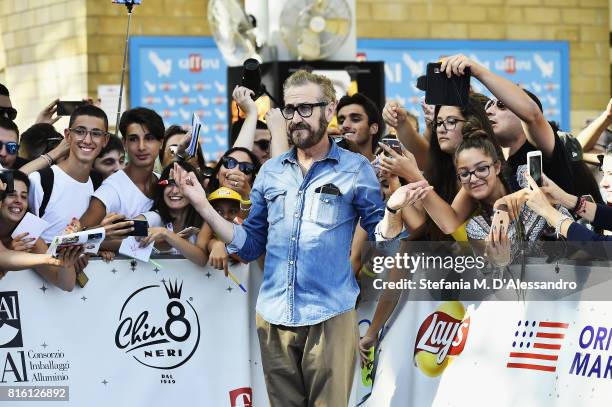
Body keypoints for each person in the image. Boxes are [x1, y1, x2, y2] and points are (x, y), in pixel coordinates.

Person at [171, 70, 414, 406]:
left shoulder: (356, 168)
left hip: (330, 314)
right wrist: (202, 205)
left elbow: (380, 238)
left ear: (328, 110)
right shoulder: (270, 171)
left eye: (305, 109)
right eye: (289, 110)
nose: (295, 119)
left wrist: (393, 211)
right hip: (274, 318)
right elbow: (251, 241)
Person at [438, 54, 575, 194]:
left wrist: (477, 71)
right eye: (488, 106)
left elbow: (532, 114)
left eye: (501, 105)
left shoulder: (543, 148)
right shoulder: (495, 165)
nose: (489, 111)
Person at [28, 104, 109, 243]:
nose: (87, 140)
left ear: (105, 140)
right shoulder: (40, 180)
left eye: (96, 133)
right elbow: (27, 238)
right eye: (80, 131)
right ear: (67, 135)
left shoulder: (100, 183)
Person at [80, 107, 165, 228]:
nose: (141, 147)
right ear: (124, 143)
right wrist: (109, 237)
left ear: (161, 143)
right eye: (133, 139)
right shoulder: (111, 190)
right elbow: (79, 237)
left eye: (149, 138)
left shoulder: (164, 183)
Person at [0, 170, 82, 290]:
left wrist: (64, 257)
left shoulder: (28, 236)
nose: (18, 201)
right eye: (11, 194)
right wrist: (10, 255)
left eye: (24, 196)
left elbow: (67, 285)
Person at [136, 162, 208, 265]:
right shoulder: (154, 218)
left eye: (181, 185)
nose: (174, 191)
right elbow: (124, 234)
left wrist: (166, 234)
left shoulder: (203, 220)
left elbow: (202, 259)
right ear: (162, 189)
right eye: (169, 184)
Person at [336, 92, 384, 161]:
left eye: (355, 119)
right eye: (341, 121)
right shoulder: (325, 169)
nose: (345, 125)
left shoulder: (388, 170)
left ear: (373, 128)